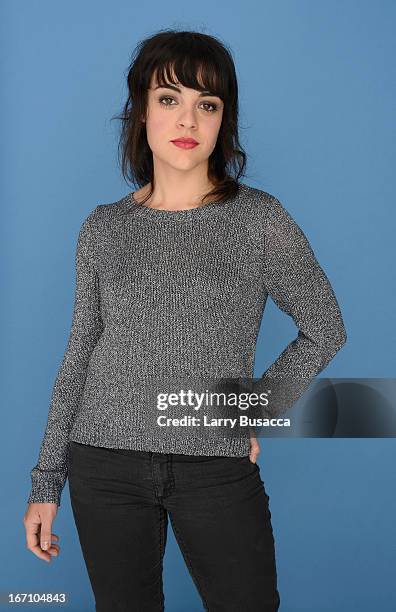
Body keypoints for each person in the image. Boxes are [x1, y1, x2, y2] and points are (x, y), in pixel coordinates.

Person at [23, 29, 347, 612]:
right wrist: (47, 483)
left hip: (212, 467)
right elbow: (79, 354)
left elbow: (325, 325)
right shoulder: (103, 228)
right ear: (140, 113)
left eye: (208, 104)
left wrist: (254, 407)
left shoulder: (258, 221)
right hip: (103, 465)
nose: (188, 120)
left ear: (224, 120)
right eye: (169, 99)